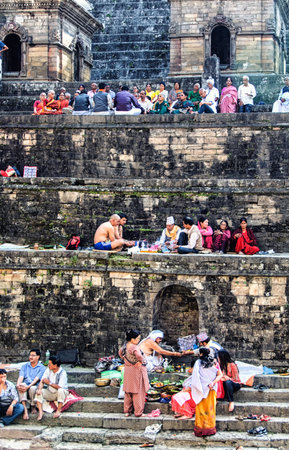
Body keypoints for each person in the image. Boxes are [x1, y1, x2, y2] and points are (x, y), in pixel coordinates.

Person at [191, 347, 222, 436]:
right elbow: (220, 375)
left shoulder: (198, 363)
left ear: (201, 354)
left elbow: (195, 376)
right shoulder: (215, 362)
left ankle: (200, 430)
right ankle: (210, 429)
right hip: (211, 389)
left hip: (201, 389)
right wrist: (212, 383)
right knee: (210, 409)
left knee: (200, 410)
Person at [119, 329, 149, 417]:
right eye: (137, 339)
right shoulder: (134, 347)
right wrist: (141, 361)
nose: (138, 340)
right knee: (138, 392)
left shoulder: (124, 346)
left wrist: (126, 361)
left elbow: (120, 354)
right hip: (136, 371)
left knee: (128, 392)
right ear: (132, 339)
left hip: (128, 370)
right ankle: (138, 412)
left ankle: (127, 412)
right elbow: (139, 356)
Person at [34, 355, 68, 420]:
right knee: (39, 392)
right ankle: (41, 412)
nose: (48, 365)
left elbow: (60, 387)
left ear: (55, 365)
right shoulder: (48, 370)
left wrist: (49, 383)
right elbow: (42, 380)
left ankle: (58, 410)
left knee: (60, 390)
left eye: (50, 364)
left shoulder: (62, 373)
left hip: (61, 393)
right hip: (50, 392)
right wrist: (39, 389)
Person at [16, 348, 46, 420]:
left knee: (32, 388)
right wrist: (18, 385)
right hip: (26, 384)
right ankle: (25, 409)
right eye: (30, 355)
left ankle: (33, 406)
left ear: (38, 357)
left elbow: (36, 380)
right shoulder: (25, 366)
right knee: (21, 386)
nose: (30, 357)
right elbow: (21, 377)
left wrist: (28, 386)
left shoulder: (42, 367)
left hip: (35, 385)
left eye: (33, 355)